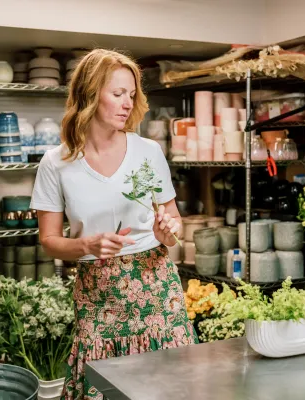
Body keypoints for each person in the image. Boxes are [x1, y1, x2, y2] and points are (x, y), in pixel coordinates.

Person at [30, 49, 198, 400]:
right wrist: (85, 246)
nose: (127, 103)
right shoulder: (56, 163)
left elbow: (173, 219)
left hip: (155, 287)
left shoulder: (148, 152)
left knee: (166, 385)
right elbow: (48, 240)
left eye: (131, 95)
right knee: (102, 388)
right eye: (117, 93)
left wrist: (166, 232)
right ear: (90, 95)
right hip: (97, 295)